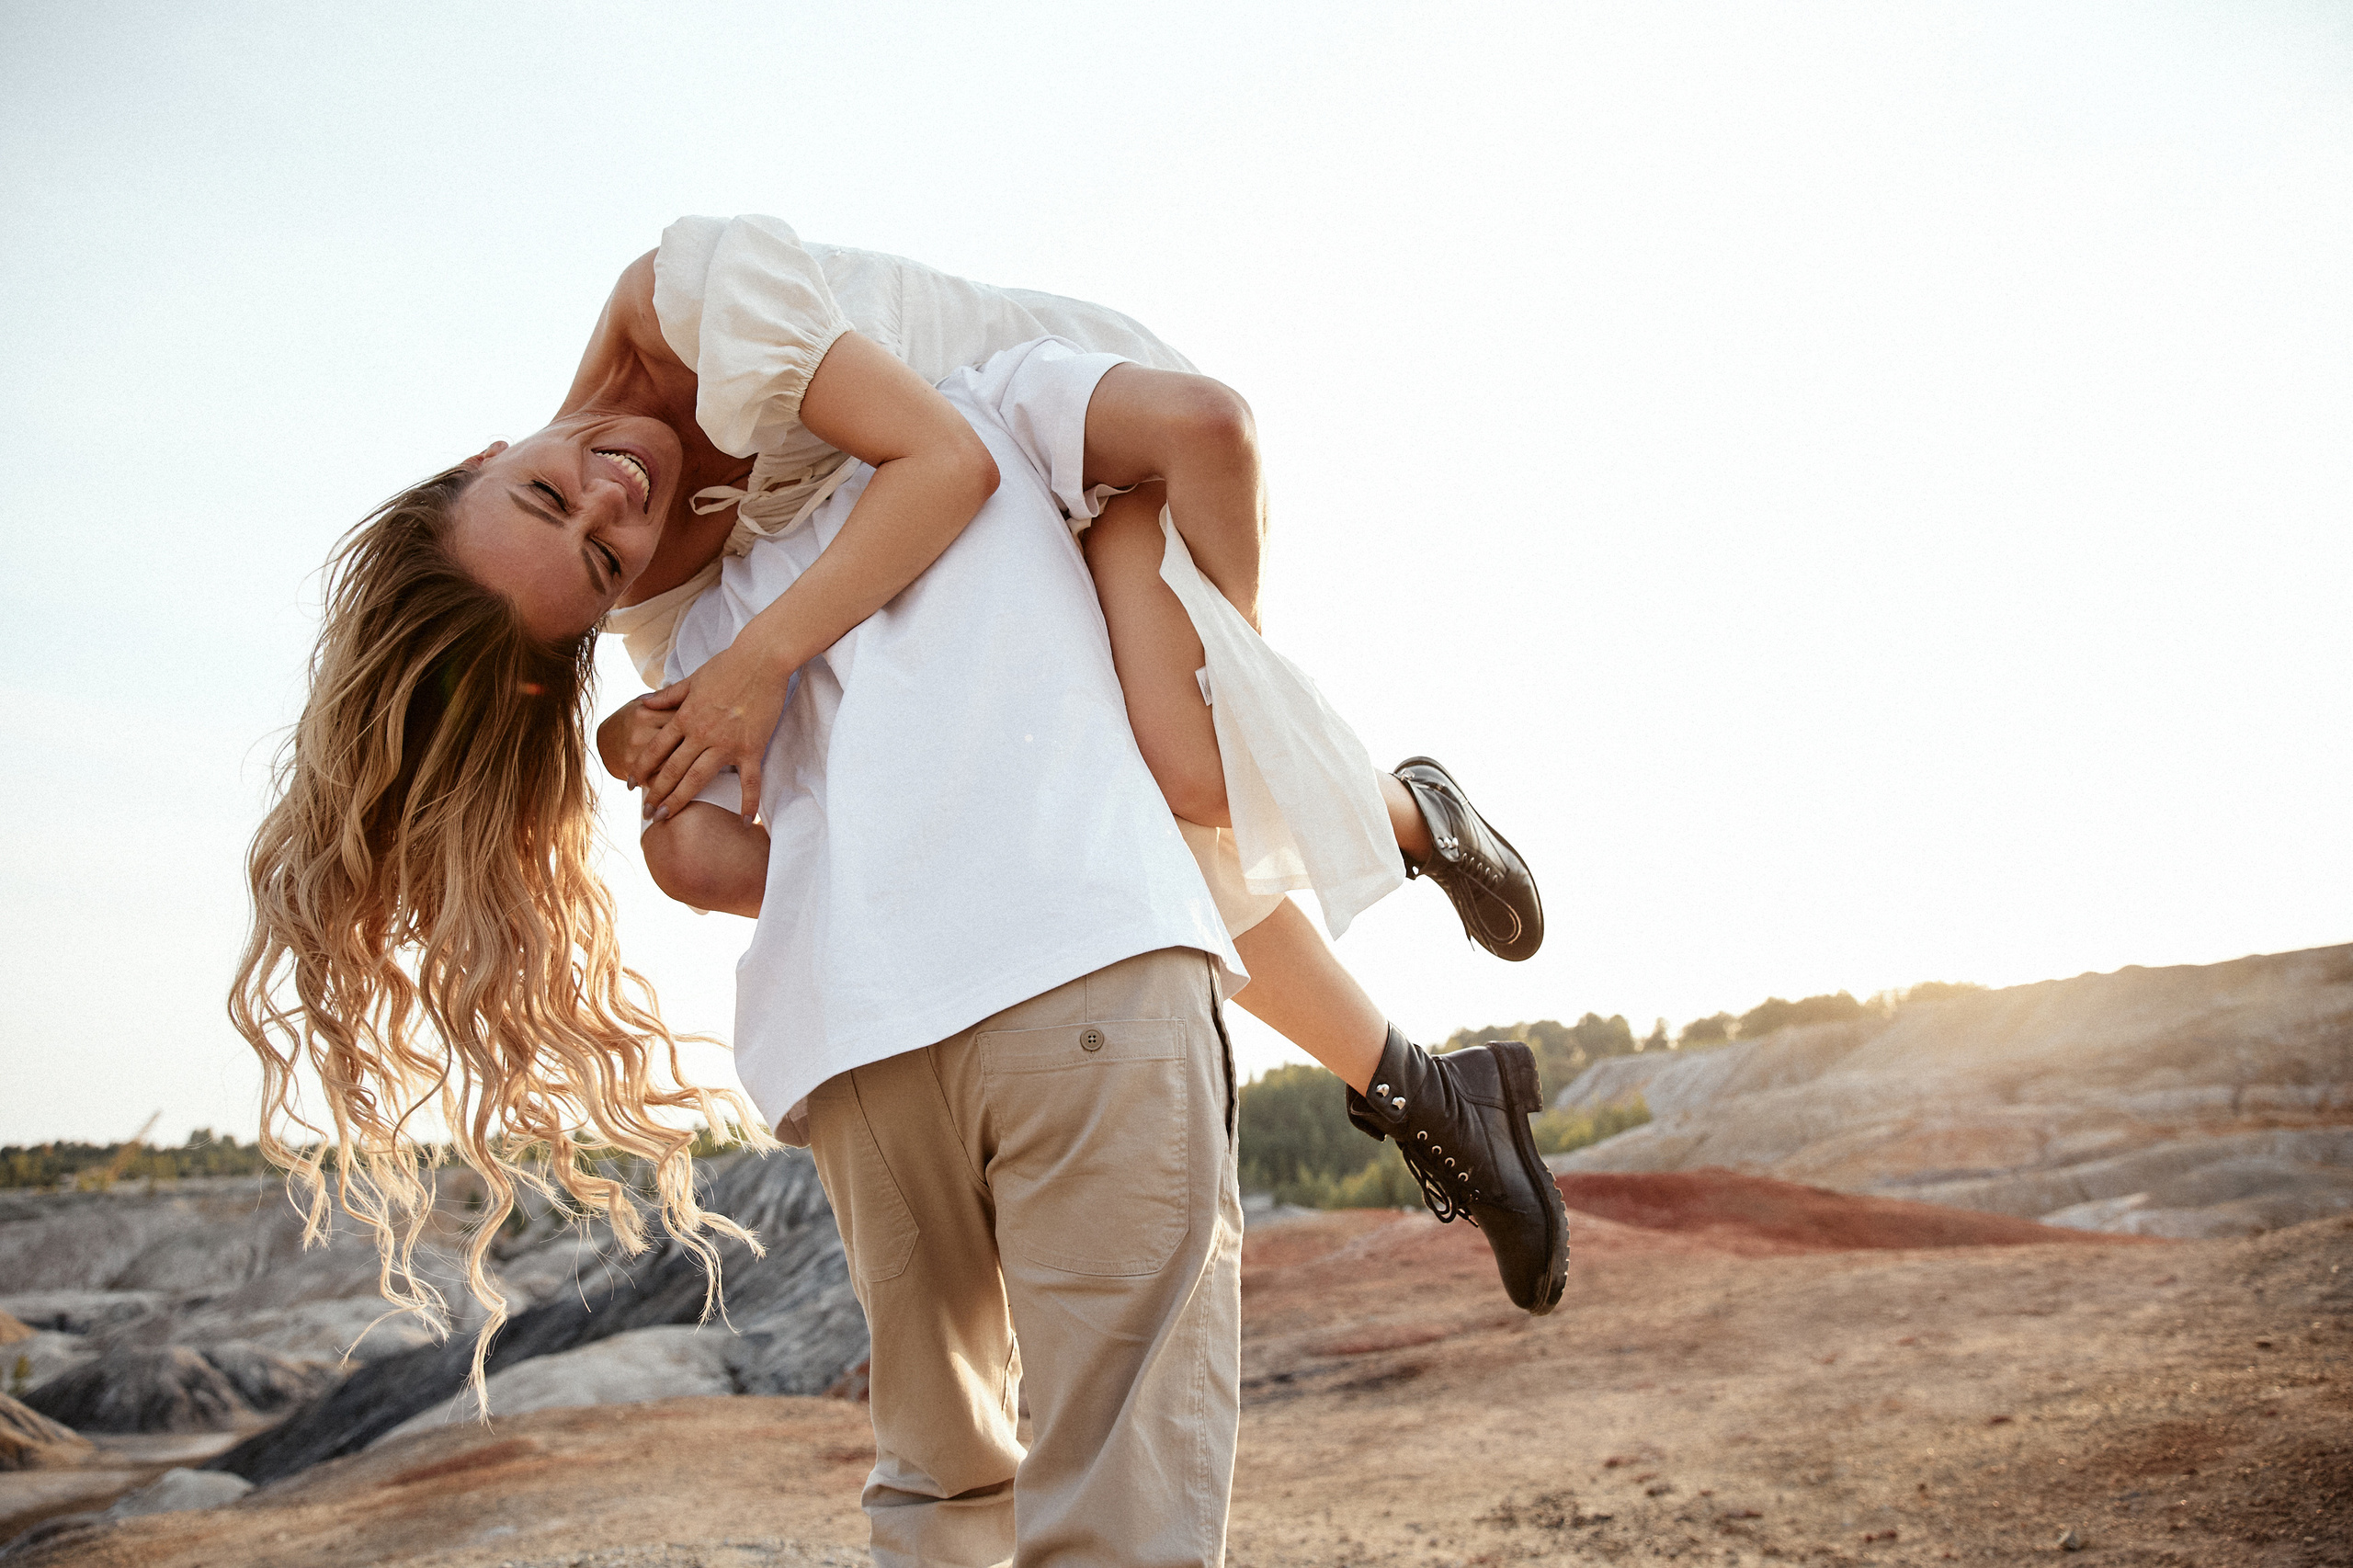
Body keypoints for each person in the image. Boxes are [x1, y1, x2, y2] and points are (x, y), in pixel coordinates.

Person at [230, 214, 1563, 1391]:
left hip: (1068, 445)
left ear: (480, 452)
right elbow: (785, 831)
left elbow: (945, 461)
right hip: (983, 595)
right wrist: (667, 774)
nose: (609, 500)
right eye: (594, 559)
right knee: (1116, 821)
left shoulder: (685, 296)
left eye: (543, 486)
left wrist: (754, 669)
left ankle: (1409, 816)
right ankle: (1432, 1093)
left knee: (1183, 776)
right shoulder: (662, 605)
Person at [630, 333, 1560, 1558]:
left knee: (937, 1491)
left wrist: (868, 868)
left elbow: (688, 855)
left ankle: (1429, 1061)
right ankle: (1426, 1018)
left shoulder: (723, 614)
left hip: (862, 1046)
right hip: (1085, 976)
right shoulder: (997, 404)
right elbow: (1212, 430)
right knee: (1124, 1496)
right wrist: (1230, 674)